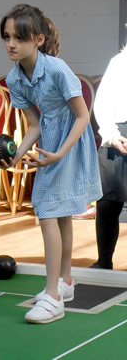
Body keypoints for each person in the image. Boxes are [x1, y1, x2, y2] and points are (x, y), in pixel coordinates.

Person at [0, 4, 102, 324]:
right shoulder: (15, 78)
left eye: (19, 37)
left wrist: (59, 154)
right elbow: (34, 125)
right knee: (60, 215)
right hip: (50, 144)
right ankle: (65, 282)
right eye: (6, 37)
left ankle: (53, 298)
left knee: (46, 211)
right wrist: (16, 156)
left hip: (72, 141)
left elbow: (83, 116)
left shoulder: (57, 69)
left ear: (39, 39)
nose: (11, 44)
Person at [91, 46, 127, 270]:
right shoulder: (118, 62)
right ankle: (104, 262)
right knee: (106, 205)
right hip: (117, 135)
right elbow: (102, 104)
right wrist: (112, 135)